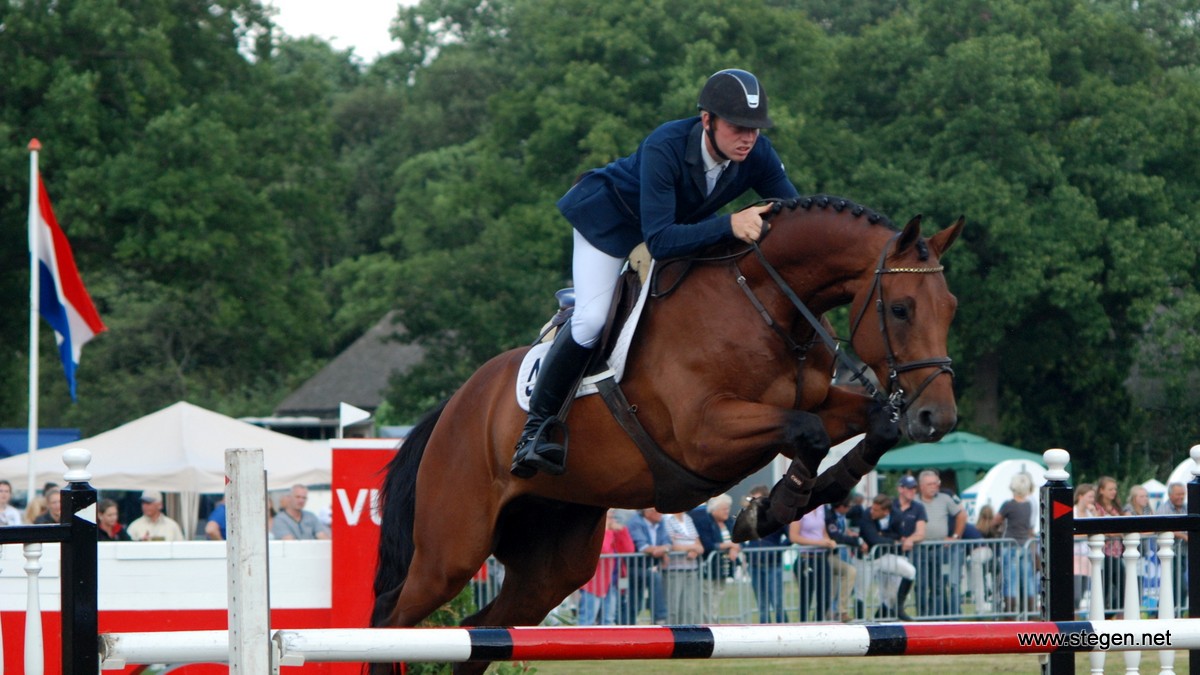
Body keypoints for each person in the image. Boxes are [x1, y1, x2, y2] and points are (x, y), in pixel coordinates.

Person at [511, 68, 801, 479]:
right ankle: (536, 429)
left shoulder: (758, 154)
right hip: (610, 226)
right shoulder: (665, 144)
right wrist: (729, 225)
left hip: (668, 229)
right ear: (707, 121)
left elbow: (795, 214)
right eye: (738, 127)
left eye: (755, 129)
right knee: (592, 321)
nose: (748, 138)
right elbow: (660, 241)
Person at [857, 493, 918, 621]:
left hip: (884, 555)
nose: (871, 511)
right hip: (866, 558)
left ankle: (898, 608)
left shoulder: (896, 515)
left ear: (886, 511)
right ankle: (859, 621)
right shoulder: (866, 515)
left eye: (876, 510)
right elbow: (873, 539)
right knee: (862, 592)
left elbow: (901, 536)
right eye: (872, 508)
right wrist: (891, 539)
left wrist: (884, 535)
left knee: (910, 572)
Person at [915, 469, 966, 617]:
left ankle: (937, 615)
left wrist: (955, 536)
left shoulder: (945, 498)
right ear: (921, 486)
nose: (934, 486)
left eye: (936, 483)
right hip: (920, 547)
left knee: (938, 584)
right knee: (921, 584)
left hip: (939, 548)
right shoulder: (915, 501)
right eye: (930, 484)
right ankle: (921, 616)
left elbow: (961, 515)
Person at [577, 510, 636, 625]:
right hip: (594, 585)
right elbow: (603, 550)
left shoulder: (614, 533)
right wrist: (607, 531)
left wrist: (622, 531)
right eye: (609, 517)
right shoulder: (597, 533)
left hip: (611, 583)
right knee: (588, 619)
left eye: (612, 517)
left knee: (608, 620)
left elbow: (629, 550)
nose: (611, 520)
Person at [690, 493, 740, 623]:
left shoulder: (729, 522)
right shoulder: (705, 521)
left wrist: (734, 548)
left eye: (728, 508)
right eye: (724, 509)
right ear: (715, 509)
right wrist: (729, 545)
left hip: (724, 567)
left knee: (718, 597)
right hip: (709, 568)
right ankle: (709, 625)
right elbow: (708, 544)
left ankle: (715, 622)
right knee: (708, 599)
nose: (727, 512)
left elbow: (737, 539)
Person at [993, 472, 1038, 617]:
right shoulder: (1029, 506)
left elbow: (996, 521)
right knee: (1028, 579)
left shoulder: (1008, 505)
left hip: (1010, 545)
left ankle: (1010, 612)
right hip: (1025, 544)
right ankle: (1031, 611)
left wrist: (996, 529)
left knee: (1010, 580)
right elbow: (1030, 527)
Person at [741, 485, 788, 623]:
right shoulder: (747, 516)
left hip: (773, 565)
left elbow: (790, 536)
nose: (753, 502)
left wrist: (778, 549)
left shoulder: (776, 516)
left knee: (777, 602)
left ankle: (783, 630)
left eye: (756, 499)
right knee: (762, 603)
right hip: (755, 565)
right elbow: (739, 535)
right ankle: (764, 631)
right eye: (752, 499)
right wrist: (746, 549)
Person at [789, 503, 835, 622]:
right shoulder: (800, 509)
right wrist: (818, 543)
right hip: (806, 558)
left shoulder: (820, 508)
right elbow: (794, 537)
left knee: (825, 597)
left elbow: (822, 531)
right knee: (806, 597)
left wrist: (828, 541)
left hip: (821, 557)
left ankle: (818, 624)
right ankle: (803, 626)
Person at [625, 507, 670, 624]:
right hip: (633, 566)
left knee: (637, 599)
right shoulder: (635, 522)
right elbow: (643, 547)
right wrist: (661, 550)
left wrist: (662, 550)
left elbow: (667, 542)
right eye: (658, 511)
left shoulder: (661, 522)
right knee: (652, 579)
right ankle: (660, 617)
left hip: (650, 566)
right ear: (648, 512)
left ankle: (657, 617)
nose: (661, 514)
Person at [663, 510, 705, 624]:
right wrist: (692, 548)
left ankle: (687, 636)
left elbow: (700, 546)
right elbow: (671, 545)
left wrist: (695, 550)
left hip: (691, 568)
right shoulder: (666, 519)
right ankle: (670, 635)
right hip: (674, 569)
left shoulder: (688, 518)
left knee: (690, 608)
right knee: (673, 608)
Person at [824, 494, 860, 621]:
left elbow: (841, 532)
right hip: (828, 555)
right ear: (840, 506)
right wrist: (854, 541)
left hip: (836, 555)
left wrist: (849, 534)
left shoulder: (840, 517)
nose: (849, 509)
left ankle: (832, 613)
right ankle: (841, 611)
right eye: (848, 506)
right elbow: (836, 536)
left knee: (834, 586)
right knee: (850, 572)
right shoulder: (829, 517)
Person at [1094, 475, 1124, 615]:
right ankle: (1104, 614)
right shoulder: (1097, 508)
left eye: (1115, 489)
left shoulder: (1116, 508)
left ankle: (1115, 614)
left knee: (1123, 584)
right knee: (1105, 587)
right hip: (1104, 552)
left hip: (1117, 552)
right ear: (1101, 490)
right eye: (1110, 489)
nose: (1114, 492)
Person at [1157, 482, 1188, 613]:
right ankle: (1170, 612)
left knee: (1176, 585)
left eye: (1183, 494)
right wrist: (1182, 535)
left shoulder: (1186, 508)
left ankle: (1172, 611)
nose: (1181, 497)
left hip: (1182, 553)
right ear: (1170, 495)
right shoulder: (1164, 509)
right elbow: (1161, 527)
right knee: (1177, 586)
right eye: (1178, 494)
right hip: (1169, 553)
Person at [966, 504, 1001, 615]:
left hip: (978, 561)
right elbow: (998, 548)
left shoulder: (976, 529)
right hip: (994, 561)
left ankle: (980, 608)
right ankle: (997, 608)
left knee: (979, 584)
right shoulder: (995, 531)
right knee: (997, 585)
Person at [1073, 483, 1098, 613]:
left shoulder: (1090, 513)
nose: (1092, 500)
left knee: (1082, 591)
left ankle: (1076, 614)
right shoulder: (1073, 511)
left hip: (1085, 556)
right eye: (1089, 497)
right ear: (1081, 496)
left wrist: (1095, 513)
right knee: (1075, 593)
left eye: (1093, 497)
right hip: (1074, 556)